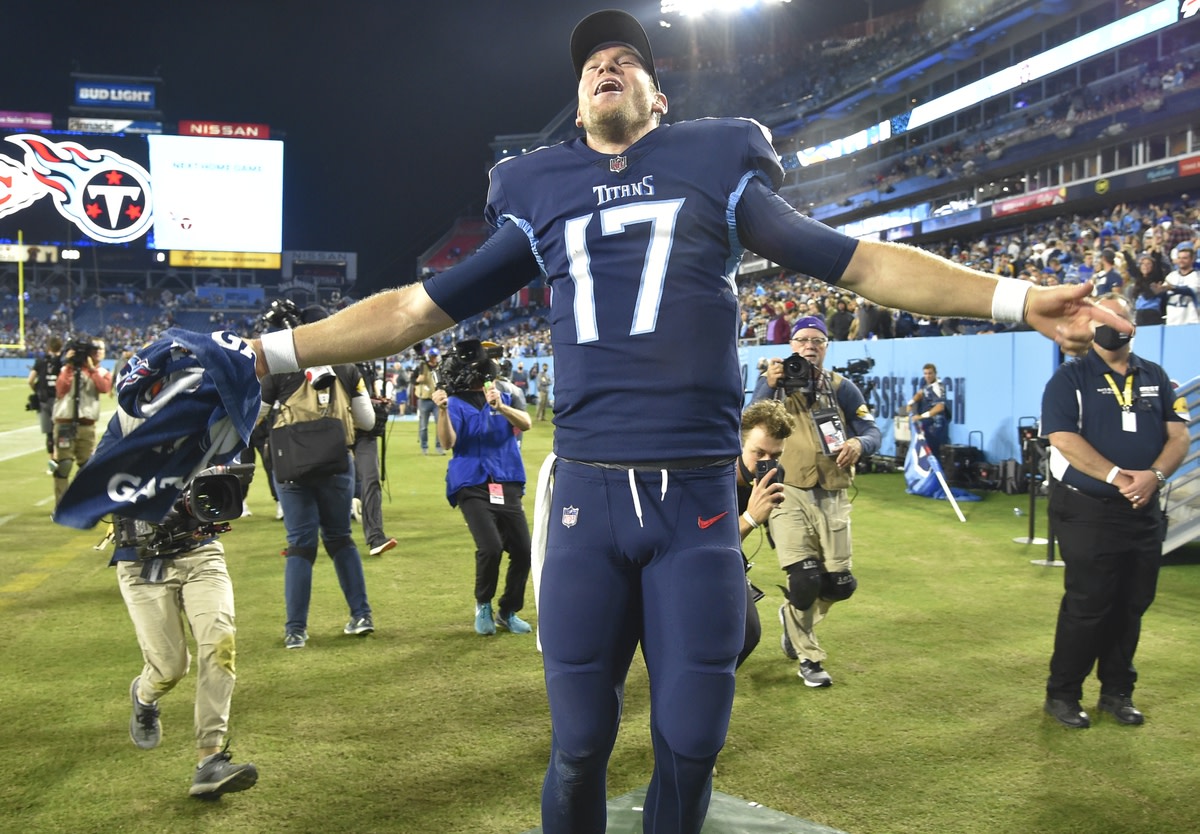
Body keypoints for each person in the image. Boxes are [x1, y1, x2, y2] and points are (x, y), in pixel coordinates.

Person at [247, 10, 1124, 832]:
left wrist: (1015, 297)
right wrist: (270, 354)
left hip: (698, 501)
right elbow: (411, 310)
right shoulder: (537, 190)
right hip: (588, 498)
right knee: (582, 740)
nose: (605, 66)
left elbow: (857, 262)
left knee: (694, 739)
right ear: (579, 102)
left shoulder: (718, 166)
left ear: (658, 97)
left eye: (626, 59)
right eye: (592, 62)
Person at [1040, 293, 1188, 729]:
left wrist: (1153, 477)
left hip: (1143, 508)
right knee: (1090, 603)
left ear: (1132, 323)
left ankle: (1117, 692)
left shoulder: (1156, 376)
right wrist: (1118, 476)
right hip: (1088, 509)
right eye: (1100, 314)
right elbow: (1063, 439)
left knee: (1133, 603)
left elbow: (1178, 437)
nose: (1109, 321)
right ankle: (1063, 693)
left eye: (1118, 314)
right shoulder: (1069, 379)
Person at [115, 464, 258, 798]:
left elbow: (230, 468)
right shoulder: (126, 432)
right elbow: (99, 485)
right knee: (170, 668)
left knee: (219, 646)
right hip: (141, 561)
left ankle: (209, 760)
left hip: (201, 553)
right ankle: (144, 696)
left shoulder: (209, 429)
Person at [755, 316, 882, 687]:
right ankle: (809, 658)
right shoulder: (774, 385)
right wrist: (767, 385)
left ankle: (792, 617)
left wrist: (860, 444)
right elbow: (749, 424)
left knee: (840, 583)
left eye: (818, 340)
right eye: (802, 340)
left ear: (827, 346)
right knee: (806, 577)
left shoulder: (843, 388)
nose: (810, 346)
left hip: (833, 492)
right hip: (787, 490)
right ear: (791, 345)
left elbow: (870, 429)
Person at [260, 306, 377, 649]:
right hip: (336, 463)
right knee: (341, 539)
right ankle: (361, 614)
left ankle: (295, 629)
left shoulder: (280, 368)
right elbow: (367, 421)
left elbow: (256, 416)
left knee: (300, 545)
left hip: (291, 468)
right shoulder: (346, 365)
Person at [431, 340, 534, 636]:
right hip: (471, 482)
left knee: (524, 550)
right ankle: (483, 604)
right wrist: (441, 411)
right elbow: (448, 443)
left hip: (507, 477)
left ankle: (508, 609)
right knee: (490, 547)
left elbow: (525, 424)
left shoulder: (503, 395)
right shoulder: (456, 404)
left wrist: (501, 408)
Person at [734, 400, 792, 667]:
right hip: (683, 564)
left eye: (775, 456)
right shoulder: (711, 478)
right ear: (739, 444)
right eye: (759, 453)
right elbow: (699, 542)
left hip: (728, 561)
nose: (767, 463)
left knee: (747, 634)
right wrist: (750, 518)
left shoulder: (766, 481)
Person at [52, 336, 112, 507]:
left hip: (87, 425)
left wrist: (92, 370)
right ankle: (61, 505)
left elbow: (104, 388)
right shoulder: (67, 369)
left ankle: (79, 502)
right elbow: (61, 389)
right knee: (64, 465)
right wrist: (70, 365)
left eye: (101, 349)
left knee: (86, 467)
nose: (98, 353)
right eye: (95, 350)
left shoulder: (102, 372)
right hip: (65, 423)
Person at [353, 360, 398, 556]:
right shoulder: (334, 365)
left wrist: (378, 402)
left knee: (371, 479)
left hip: (364, 432)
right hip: (336, 430)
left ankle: (375, 537)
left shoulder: (366, 367)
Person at [905, 362, 951, 459]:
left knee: (934, 452)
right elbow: (921, 393)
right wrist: (911, 402)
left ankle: (937, 473)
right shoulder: (926, 383)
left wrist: (921, 416)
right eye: (925, 373)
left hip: (937, 425)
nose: (928, 376)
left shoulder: (938, 387)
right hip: (927, 423)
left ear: (935, 373)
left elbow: (939, 407)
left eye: (930, 373)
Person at [28, 335, 63, 462]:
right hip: (59, 401)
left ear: (48, 347)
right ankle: (61, 459)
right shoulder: (62, 362)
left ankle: (52, 461)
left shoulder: (40, 361)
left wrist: (37, 391)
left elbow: (30, 380)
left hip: (43, 400)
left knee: (49, 433)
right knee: (61, 431)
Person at [413, 348, 444, 455]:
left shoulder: (440, 367)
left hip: (437, 399)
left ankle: (439, 446)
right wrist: (418, 379)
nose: (434, 358)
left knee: (440, 424)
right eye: (432, 356)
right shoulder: (421, 367)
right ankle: (424, 447)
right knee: (423, 426)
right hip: (424, 398)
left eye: (435, 356)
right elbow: (413, 380)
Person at [1162, 241, 1198, 325]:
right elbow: (1163, 293)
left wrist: (1173, 288)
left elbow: (1191, 291)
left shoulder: (1196, 276)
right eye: (1179, 258)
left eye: (1185, 258)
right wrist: (1159, 290)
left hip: (1191, 321)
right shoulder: (1171, 276)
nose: (1181, 261)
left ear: (1192, 259)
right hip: (1172, 321)